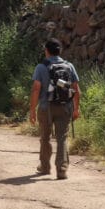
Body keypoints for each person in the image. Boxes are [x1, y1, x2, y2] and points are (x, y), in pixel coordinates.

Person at [28, 38, 80, 179]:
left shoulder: (41, 67)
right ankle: (61, 170)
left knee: (45, 138)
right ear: (60, 51)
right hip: (65, 107)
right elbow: (76, 89)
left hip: (46, 108)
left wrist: (32, 110)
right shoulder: (69, 66)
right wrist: (76, 109)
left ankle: (45, 167)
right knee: (62, 138)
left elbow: (36, 89)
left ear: (46, 51)